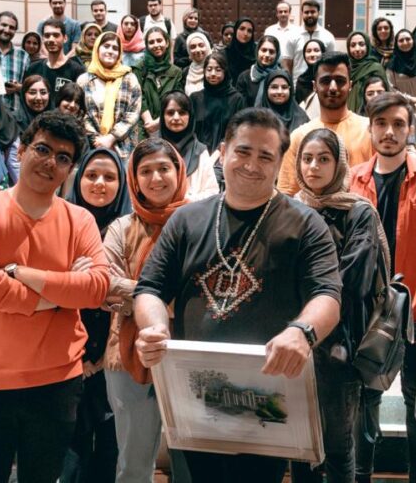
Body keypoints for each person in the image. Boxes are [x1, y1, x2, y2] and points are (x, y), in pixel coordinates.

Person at [133, 107, 343, 483]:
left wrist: (302, 332)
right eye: (243, 151)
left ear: (279, 163)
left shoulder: (305, 224)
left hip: (266, 391)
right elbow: (150, 288)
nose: (251, 165)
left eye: (265, 156)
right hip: (195, 390)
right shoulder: (187, 220)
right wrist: (154, 327)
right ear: (223, 151)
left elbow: (327, 294)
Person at [0, 110, 111, 483]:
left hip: (57, 383)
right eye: (42, 149)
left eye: (63, 157)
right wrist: (61, 293)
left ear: (70, 169)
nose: (50, 162)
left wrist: (22, 273)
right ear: (21, 151)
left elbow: (96, 289)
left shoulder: (80, 221)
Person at [349, 92, 416, 483]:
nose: (389, 132)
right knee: (365, 398)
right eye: (381, 123)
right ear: (371, 128)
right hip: (365, 311)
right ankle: (361, 476)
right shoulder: (353, 180)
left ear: (411, 129)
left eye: (398, 124)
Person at [289, 128, 391, 483]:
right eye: (307, 159)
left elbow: (354, 282)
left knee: (336, 445)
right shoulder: (289, 209)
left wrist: (313, 314)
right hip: (293, 339)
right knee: (299, 444)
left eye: (323, 159)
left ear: (339, 164)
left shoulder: (358, 212)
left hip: (338, 344)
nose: (313, 167)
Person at [102, 138, 190, 483]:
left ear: (178, 171)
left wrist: (133, 295)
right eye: (145, 171)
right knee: (133, 464)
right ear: (134, 180)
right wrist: (170, 297)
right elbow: (105, 287)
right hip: (126, 355)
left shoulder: (200, 223)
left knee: (194, 463)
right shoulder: (122, 227)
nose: (155, 178)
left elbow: (205, 292)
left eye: (164, 168)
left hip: (189, 351)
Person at [59, 148, 129, 483]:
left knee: (110, 447)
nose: (99, 183)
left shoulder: (130, 229)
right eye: (91, 175)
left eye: (110, 177)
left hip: (116, 357)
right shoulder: (60, 225)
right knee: (71, 448)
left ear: (122, 183)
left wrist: (101, 359)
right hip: (67, 355)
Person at [278, 52, 374, 195]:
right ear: (314, 86)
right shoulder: (299, 137)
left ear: (350, 85)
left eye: (340, 81)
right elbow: (287, 195)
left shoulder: (369, 131)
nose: (333, 87)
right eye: (325, 81)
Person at [79, 31, 142, 160]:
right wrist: (97, 140)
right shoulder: (84, 80)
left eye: (115, 48)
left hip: (123, 149)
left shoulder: (130, 78)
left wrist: (111, 138)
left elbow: (133, 113)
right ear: (97, 49)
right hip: (91, 147)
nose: (110, 51)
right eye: (106, 46)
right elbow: (81, 113)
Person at [159, 90, 219, 201]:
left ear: (190, 116)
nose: (176, 117)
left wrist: (185, 202)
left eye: (182, 113)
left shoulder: (200, 151)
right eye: (170, 113)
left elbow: (212, 192)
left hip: (192, 210)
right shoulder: (151, 149)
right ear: (162, 116)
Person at [190, 51, 246, 153]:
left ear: (225, 71)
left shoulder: (236, 99)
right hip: (197, 153)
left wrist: (219, 152)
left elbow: (238, 131)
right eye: (209, 69)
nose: (213, 74)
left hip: (226, 153)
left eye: (218, 70)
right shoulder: (195, 98)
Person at [137, 28, 184, 137]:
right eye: (151, 42)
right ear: (147, 46)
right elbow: (138, 96)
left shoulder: (176, 72)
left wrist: (158, 122)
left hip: (168, 125)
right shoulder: (139, 68)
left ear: (167, 43)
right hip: (143, 127)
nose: (156, 45)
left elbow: (177, 99)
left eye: (159, 40)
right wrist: (148, 121)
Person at [24, 18, 87, 91]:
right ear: (43, 39)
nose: (51, 39)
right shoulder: (33, 69)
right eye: (47, 35)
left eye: (56, 35)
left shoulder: (77, 71)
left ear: (65, 38)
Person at [283, 0, 337, 81]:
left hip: (321, 83)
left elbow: (332, 63)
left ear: (318, 13)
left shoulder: (328, 37)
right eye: (306, 12)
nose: (309, 15)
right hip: (297, 83)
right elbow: (287, 63)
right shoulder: (292, 36)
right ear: (302, 14)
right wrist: (289, 82)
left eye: (312, 12)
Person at [255, 68, 309, 134]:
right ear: (266, 89)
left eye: (284, 87)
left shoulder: (301, 117)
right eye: (274, 87)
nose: (279, 92)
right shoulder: (256, 118)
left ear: (290, 90)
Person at [345, 31, 387, 115]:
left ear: (367, 46)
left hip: (371, 113)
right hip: (347, 113)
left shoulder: (376, 68)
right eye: (353, 45)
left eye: (361, 44)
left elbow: (385, 94)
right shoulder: (346, 68)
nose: (357, 49)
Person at [235, 34, 280, 103]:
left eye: (271, 52)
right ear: (257, 51)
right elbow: (240, 104)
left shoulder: (282, 77)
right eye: (264, 50)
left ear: (277, 55)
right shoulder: (245, 77)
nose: (267, 55)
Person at [225, 17, 257, 83]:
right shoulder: (226, 53)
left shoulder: (257, 52)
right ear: (235, 30)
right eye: (242, 29)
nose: (245, 33)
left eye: (249, 31)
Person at [295, 38, 325, 108]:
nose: (312, 54)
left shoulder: (329, 76)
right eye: (308, 51)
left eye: (316, 50)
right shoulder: (302, 80)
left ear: (323, 53)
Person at [180, 31, 212, 96]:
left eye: (201, 45)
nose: (197, 50)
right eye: (193, 47)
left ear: (207, 46)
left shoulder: (215, 69)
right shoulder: (186, 72)